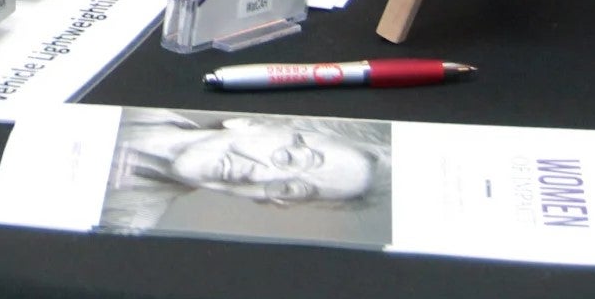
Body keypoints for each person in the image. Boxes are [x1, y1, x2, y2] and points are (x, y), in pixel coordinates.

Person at [98, 109, 389, 235]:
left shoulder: (118, 223)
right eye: (288, 157)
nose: (258, 177)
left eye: (290, 190)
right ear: (250, 122)